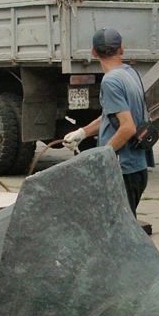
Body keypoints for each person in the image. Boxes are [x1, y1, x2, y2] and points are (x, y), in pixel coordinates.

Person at [62, 28, 153, 214]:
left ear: (94, 52)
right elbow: (111, 117)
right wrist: (83, 132)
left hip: (122, 170)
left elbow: (127, 128)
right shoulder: (130, 73)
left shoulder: (110, 82)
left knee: (118, 233)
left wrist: (101, 157)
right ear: (122, 49)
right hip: (137, 167)